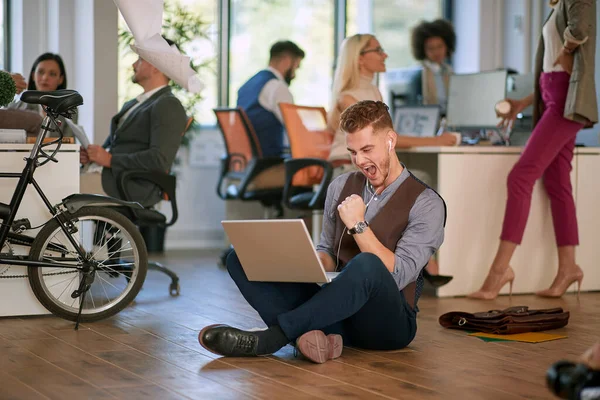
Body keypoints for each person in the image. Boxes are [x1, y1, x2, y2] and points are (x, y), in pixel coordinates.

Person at [198, 100, 446, 364]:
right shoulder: (340, 185)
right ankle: (312, 338)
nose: (359, 160)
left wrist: (358, 224)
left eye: (367, 149)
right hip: (336, 314)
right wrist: (307, 262)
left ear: (390, 140)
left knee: (367, 265)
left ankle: (273, 338)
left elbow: (397, 275)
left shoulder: (427, 203)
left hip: (386, 326)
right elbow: (328, 251)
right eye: (353, 151)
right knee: (240, 257)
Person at [468, 0, 597, 300]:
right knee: (557, 184)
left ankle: (499, 271)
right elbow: (551, 68)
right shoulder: (556, 7)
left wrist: (567, 49)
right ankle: (569, 268)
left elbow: (579, 30)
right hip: (552, 97)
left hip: (567, 100)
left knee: (520, 177)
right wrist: (523, 103)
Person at [327, 33, 456, 285]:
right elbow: (383, 137)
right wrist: (435, 141)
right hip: (347, 169)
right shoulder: (348, 96)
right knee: (417, 185)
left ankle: (413, 259)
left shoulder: (373, 90)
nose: (385, 54)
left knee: (419, 185)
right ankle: (420, 262)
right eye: (378, 49)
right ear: (360, 59)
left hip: (369, 168)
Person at [80, 37, 187, 208]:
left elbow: (159, 159)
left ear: (155, 66)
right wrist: (93, 157)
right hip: (108, 176)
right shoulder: (135, 104)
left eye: (140, 59)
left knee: (56, 193)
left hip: (129, 185)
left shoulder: (168, 105)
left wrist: (111, 160)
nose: (134, 65)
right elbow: (113, 146)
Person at [236, 40, 305, 157]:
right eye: (296, 67)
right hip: (268, 157)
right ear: (287, 61)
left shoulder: (247, 85)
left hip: (247, 159)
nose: (294, 75)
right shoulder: (277, 86)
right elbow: (295, 126)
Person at [5, 53, 76, 138]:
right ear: (33, 76)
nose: (45, 77)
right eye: (41, 72)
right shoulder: (19, 105)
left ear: (60, 79)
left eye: (52, 74)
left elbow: (70, 145)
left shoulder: (69, 109)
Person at [408, 19, 456, 116]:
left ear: (447, 46)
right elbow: (414, 108)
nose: (436, 52)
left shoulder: (450, 72)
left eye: (440, 46)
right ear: (423, 50)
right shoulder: (419, 75)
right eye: (431, 48)